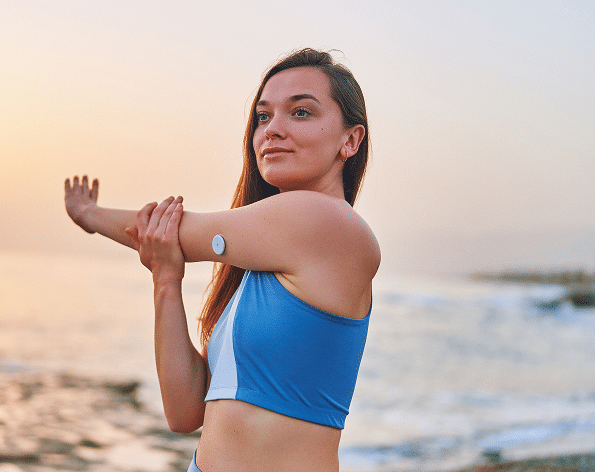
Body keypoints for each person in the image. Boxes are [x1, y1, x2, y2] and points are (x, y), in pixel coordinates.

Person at [63, 48, 379, 472]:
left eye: (300, 113)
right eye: (263, 117)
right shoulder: (260, 270)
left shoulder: (326, 222)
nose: (273, 130)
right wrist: (165, 282)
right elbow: (184, 412)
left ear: (350, 140)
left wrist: (91, 215)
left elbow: (175, 230)